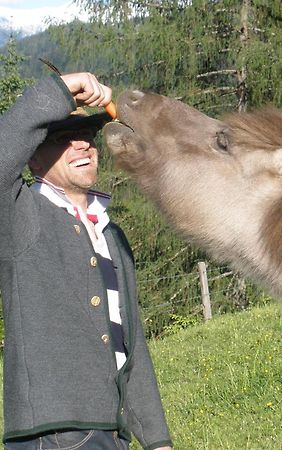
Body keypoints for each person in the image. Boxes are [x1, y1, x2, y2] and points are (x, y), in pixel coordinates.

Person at [0, 72, 173, 450]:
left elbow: (131, 345)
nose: (84, 146)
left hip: (112, 432)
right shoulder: (20, 214)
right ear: (32, 158)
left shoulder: (112, 234)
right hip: (52, 434)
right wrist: (60, 89)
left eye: (89, 138)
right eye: (64, 139)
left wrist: (157, 439)